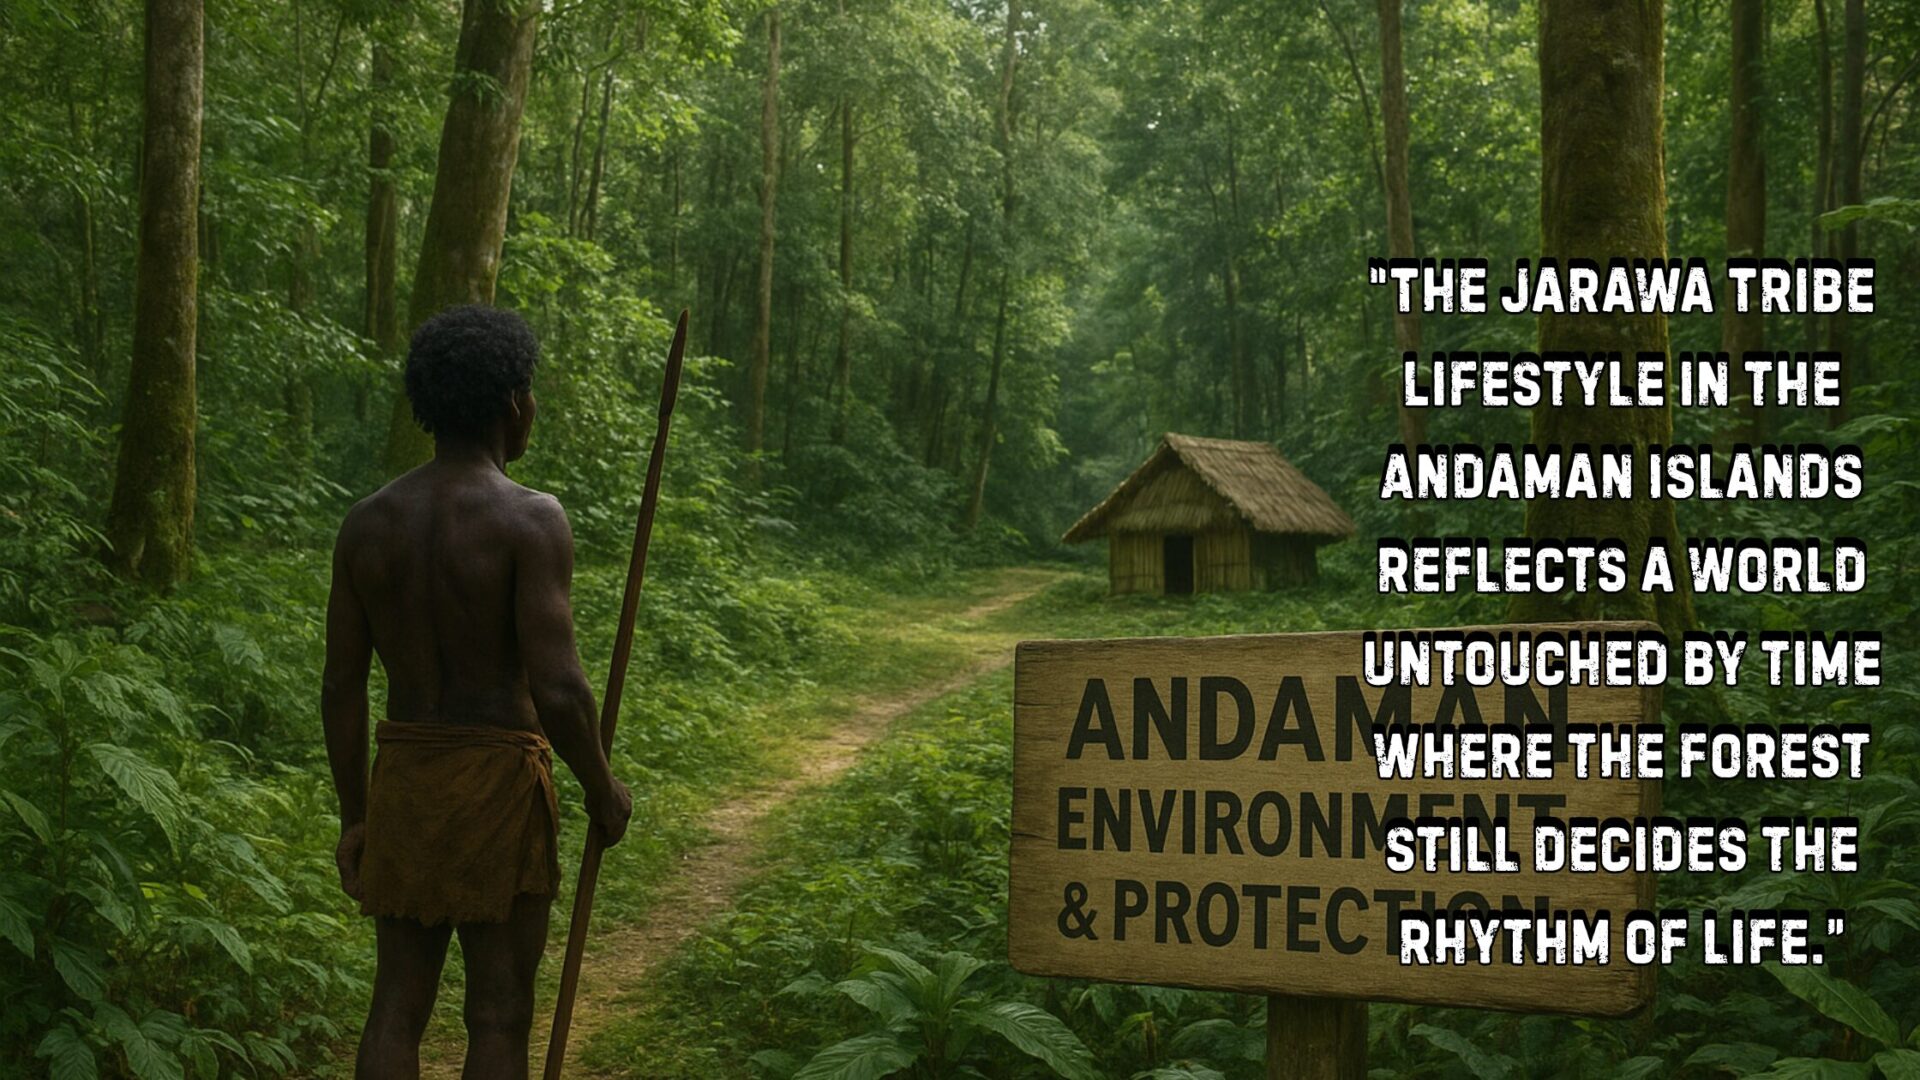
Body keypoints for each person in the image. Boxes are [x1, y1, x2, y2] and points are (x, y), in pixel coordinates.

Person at [321, 304, 633, 1079]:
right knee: (496, 1011)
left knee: (396, 1005)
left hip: (407, 788)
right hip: (498, 786)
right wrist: (602, 784)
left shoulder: (367, 524)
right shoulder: (530, 519)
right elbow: (558, 688)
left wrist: (357, 816)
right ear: (514, 404)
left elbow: (341, 687)